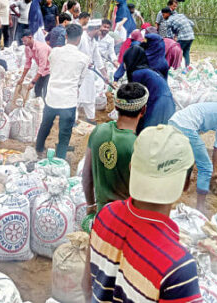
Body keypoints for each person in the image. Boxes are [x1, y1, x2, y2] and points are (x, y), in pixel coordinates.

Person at [84, 125, 201, 303]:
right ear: (186, 183)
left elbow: (86, 285)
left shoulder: (106, 214)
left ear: (132, 168)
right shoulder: (178, 269)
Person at [82, 83, 147, 212]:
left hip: (102, 214)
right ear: (143, 110)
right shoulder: (137, 146)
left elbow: (86, 176)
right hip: (126, 218)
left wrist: (90, 205)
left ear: (116, 107)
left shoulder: (98, 131)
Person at [36, 23, 90, 159]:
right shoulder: (84, 59)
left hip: (52, 97)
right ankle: (60, 157)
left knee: (45, 124)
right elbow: (80, 81)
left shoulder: (55, 52)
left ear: (65, 36)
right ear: (79, 39)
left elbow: (52, 67)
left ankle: (39, 147)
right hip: (68, 100)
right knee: (65, 132)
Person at [121, 46, 176, 134]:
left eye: (125, 61)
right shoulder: (147, 71)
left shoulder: (138, 74)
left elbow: (135, 99)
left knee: (146, 135)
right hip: (168, 104)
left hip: (157, 106)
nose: (124, 64)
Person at [18, 29, 51, 100]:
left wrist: (33, 82)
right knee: (37, 90)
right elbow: (27, 63)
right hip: (43, 70)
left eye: (25, 41)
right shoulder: (27, 48)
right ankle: (38, 106)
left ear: (30, 37)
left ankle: (45, 107)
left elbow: (42, 66)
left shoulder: (41, 48)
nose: (24, 43)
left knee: (46, 91)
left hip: (51, 69)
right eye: (23, 41)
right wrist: (22, 78)